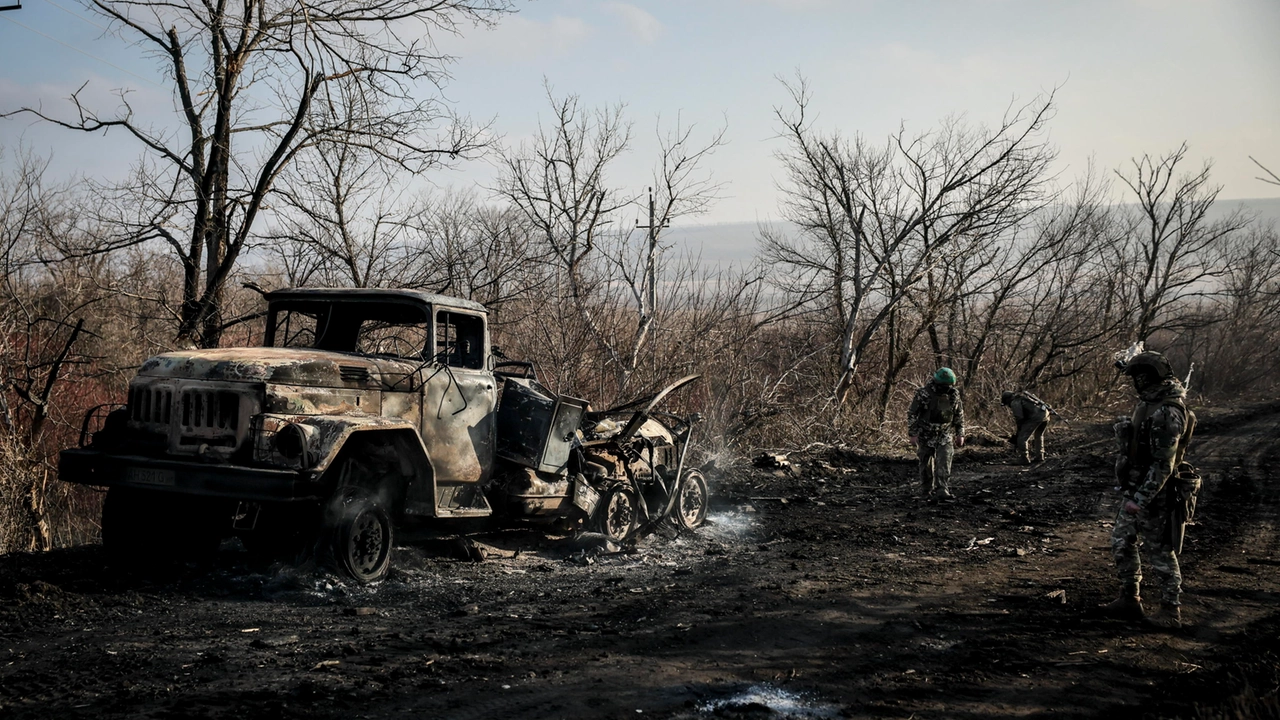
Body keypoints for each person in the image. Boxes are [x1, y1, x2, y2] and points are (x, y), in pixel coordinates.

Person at [1103, 350, 1197, 629]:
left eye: (1139, 377)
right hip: (1136, 487)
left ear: (1151, 378)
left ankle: (1171, 610)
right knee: (1121, 541)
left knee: (1160, 551)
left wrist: (1141, 499)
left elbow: (1164, 464)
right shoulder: (1151, 403)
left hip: (1157, 493)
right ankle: (1129, 599)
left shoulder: (1169, 411)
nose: (1136, 383)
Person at [907, 367, 966, 501]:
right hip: (925, 435)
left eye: (948, 386)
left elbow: (958, 415)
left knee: (944, 463)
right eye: (944, 386)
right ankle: (926, 490)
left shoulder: (954, 395)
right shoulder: (923, 394)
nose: (946, 388)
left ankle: (942, 489)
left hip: (944, 435)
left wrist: (960, 434)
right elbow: (912, 414)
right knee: (926, 465)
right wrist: (913, 433)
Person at [1001, 390, 1051, 464]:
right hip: (1045, 415)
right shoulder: (1024, 398)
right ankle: (1040, 456)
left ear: (1007, 399)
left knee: (1022, 438)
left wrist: (1019, 430)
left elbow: (1019, 417)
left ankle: (1024, 458)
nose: (1008, 406)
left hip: (1036, 417)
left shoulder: (1015, 402)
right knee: (1039, 435)